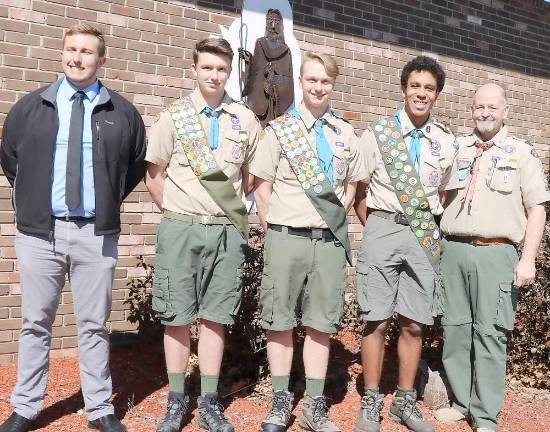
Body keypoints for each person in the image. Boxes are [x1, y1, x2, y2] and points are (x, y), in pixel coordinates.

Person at [0, 24, 146, 432]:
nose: (77, 58)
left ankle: (99, 408)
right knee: (34, 323)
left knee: (95, 324)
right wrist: (35, 200)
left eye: (86, 52)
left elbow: (132, 166)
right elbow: (11, 160)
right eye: (71, 50)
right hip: (39, 233)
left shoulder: (122, 113)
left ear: (102, 59)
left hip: (94, 235)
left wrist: (103, 201)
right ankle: (26, 406)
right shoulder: (31, 108)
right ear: (63, 54)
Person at [145, 38, 260, 432]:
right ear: (194, 69)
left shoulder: (244, 120)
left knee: (215, 318)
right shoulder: (173, 118)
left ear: (229, 73)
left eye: (222, 69)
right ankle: (177, 400)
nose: (214, 75)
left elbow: (248, 179)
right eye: (207, 67)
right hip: (180, 228)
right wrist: (181, 214)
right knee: (176, 316)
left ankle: (209, 400)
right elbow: (154, 177)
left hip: (225, 231)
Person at [252, 52, 367, 432]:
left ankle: (313, 406)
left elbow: (352, 185)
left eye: (326, 82)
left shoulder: (345, 133)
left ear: (333, 86)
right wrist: (274, 227)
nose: (319, 88)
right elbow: (262, 188)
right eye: (312, 80)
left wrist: (329, 217)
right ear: (301, 82)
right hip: (286, 238)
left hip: (328, 242)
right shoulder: (280, 130)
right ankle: (281, 401)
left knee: (321, 324)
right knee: (280, 322)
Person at [434, 83, 549, 432]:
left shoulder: (521, 153)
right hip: (454, 250)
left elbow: (538, 209)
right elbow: (437, 193)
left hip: (496, 253)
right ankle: (460, 402)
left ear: (505, 110)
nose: (485, 113)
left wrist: (527, 259)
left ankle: (484, 414)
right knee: (454, 329)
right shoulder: (456, 150)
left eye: (492, 107)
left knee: (490, 333)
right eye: (479, 106)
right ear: (471, 110)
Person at [353, 56, 456, 432]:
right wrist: (381, 227)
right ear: (403, 88)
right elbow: (359, 192)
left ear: (437, 94)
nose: (421, 94)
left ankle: (404, 401)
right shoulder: (377, 135)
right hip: (382, 227)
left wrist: (419, 228)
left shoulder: (445, 141)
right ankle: (370, 400)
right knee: (375, 320)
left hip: (423, 234)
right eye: (416, 86)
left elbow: (446, 194)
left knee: (415, 323)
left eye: (429, 88)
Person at [239, 8, 294, 128]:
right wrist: (248, 60)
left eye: (277, 22)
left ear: (281, 25)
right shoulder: (260, 43)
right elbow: (256, 70)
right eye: (270, 21)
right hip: (260, 97)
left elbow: (287, 79)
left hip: (275, 101)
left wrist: (274, 87)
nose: (273, 25)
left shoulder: (286, 50)